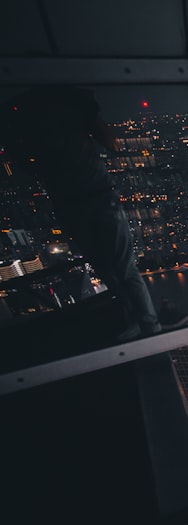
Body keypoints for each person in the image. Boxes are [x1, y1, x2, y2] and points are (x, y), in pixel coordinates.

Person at [0, 86, 161, 341]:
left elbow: (23, 165)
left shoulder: (31, 127)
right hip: (97, 197)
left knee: (112, 270)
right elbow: (110, 142)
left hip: (75, 204)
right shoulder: (74, 113)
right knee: (121, 269)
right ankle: (146, 324)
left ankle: (143, 323)